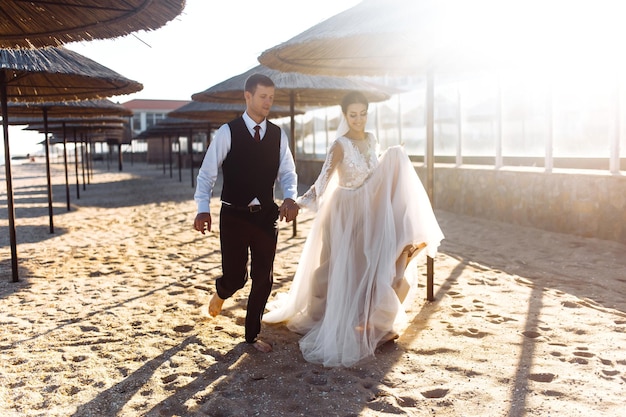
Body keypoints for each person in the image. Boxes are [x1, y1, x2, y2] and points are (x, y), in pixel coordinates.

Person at [263, 91, 444, 367]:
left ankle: (371, 318)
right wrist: (299, 203)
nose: (358, 120)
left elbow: (374, 174)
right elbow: (322, 182)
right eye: (353, 115)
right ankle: (330, 313)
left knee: (375, 262)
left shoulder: (371, 139)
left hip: (370, 209)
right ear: (345, 116)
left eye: (362, 114)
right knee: (338, 266)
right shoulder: (339, 144)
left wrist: (390, 162)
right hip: (344, 212)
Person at [193, 73, 300, 353]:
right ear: (248, 96)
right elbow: (207, 174)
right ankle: (221, 292)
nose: (268, 102)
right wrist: (202, 209)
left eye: (271, 98)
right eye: (263, 97)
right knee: (235, 279)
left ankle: (251, 335)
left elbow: (288, 172)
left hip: (266, 215)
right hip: (234, 215)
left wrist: (290, 196)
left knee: (264, 278)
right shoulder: (227, 132)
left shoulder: (278, 134)